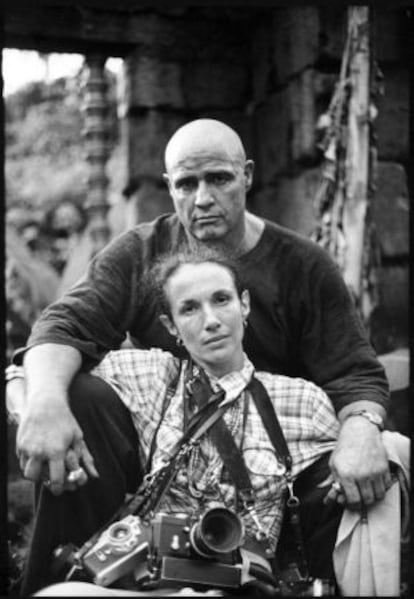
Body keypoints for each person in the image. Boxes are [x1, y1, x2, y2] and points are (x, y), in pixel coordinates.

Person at [9, 118, 391, 591]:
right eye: (187, 184)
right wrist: (45, 404)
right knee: (78, 395)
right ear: (169, 186)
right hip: (167, 452)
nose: (203, 198)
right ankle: (70, 568)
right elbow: (64, 326)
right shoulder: (142, 252)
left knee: (382, 460)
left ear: (247, 175)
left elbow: (355, 372)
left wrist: (362, 428)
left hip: (274, 462)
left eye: (219, 179)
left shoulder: (303, 266)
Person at [10, 252, 344, 596]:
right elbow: (22, 372)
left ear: (244, 305)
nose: (211, 320)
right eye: (190, 309)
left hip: (244, 585)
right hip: (154, 581)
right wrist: (40, 410)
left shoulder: (301, 401)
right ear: (171, 326)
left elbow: (354, 466)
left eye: (221, 299)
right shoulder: (154, 377)